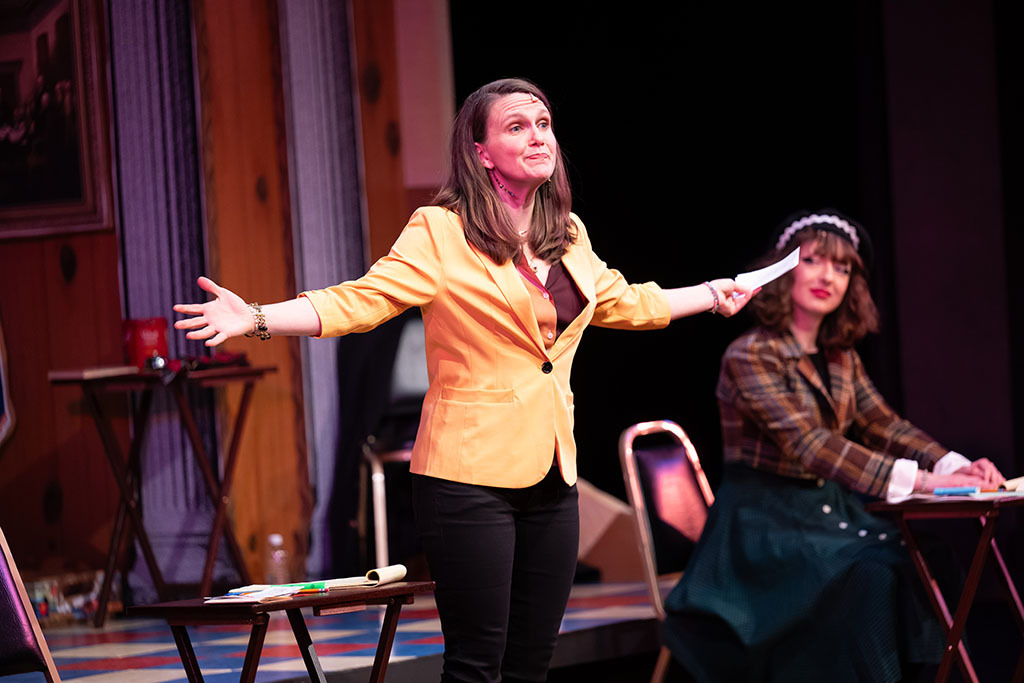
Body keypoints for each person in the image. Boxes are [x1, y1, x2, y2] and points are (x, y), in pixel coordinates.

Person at [174, 77, 755, 683]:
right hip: (466, 476)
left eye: (543, 124)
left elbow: (627, 301)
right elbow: (361, 301)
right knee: (478, 665)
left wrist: (714, 294)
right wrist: (258, 318)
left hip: (553, 471)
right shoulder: (441, 230)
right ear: (480, 152)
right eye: (516, 126)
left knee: (531, 664)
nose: (537, 136)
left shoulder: (569, 233)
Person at [661, 210, 1005, 683]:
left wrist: (955, 465)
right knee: (872, 577)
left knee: (931, 557)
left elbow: (884, 424)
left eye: (842, 267)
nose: (828, 275)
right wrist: (925, 480)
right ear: (784, 270)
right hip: (765, 523)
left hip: (827, 512)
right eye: (814, 260)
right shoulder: (751, 354)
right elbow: (810, 443)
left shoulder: (841, 356)